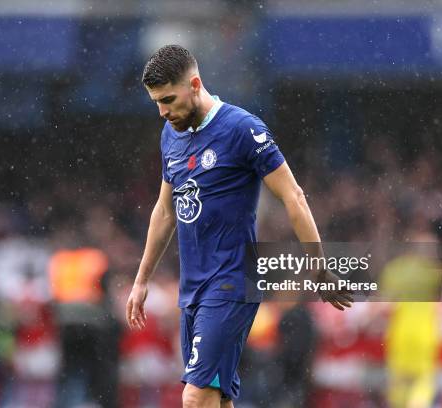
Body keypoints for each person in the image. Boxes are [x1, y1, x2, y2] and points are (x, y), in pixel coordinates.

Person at [126, 44, 352, 408]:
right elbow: (165, 211)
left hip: (231, 281)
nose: (162, 111)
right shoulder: (171, 134)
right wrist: (141, 280)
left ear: (195, 84)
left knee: (195, 397)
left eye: (168, 99)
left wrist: (319, 268)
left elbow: (294, 196)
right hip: (193, 287)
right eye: (156, 102)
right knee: (217, 398)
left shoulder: (242, 129)